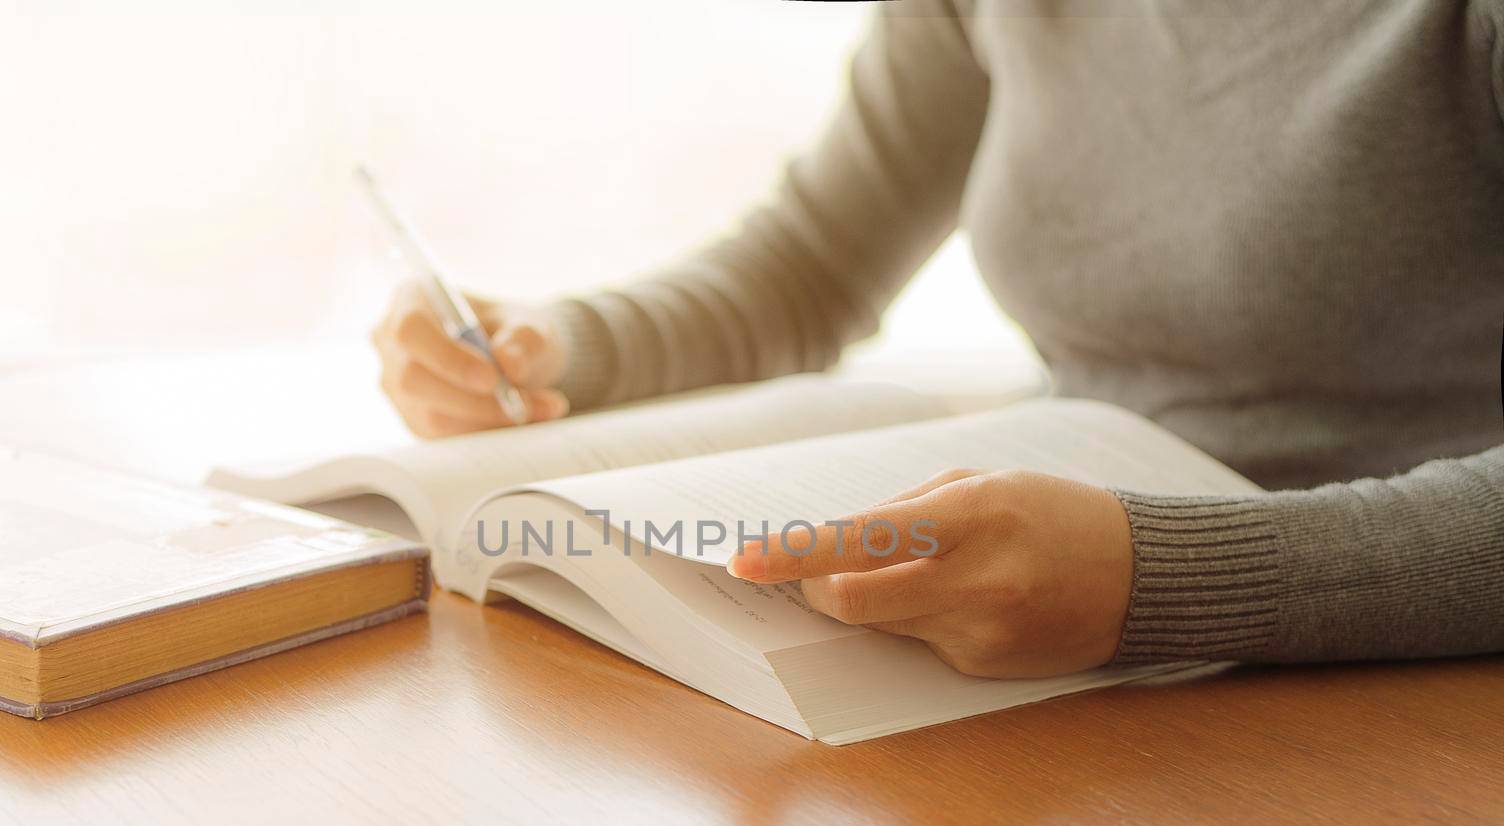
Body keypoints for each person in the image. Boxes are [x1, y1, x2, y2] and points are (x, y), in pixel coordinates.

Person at [371, 0, 1504, 679]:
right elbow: (811, 265)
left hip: (1409, 683)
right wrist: (560, 345)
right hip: (1083, 660)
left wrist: (1161, 580)